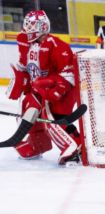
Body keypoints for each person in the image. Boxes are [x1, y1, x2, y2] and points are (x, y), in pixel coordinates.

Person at [6, 9, 81, 164]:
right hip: (40, 88)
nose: (27, 28)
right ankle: (37, 145)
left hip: (57, 89)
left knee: (51, 116)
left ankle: (74, 145)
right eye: (27, 24)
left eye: (31, 25)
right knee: (28, 106)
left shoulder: (57, 45)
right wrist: (20, 81)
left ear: (42, 26)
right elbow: (24, 66)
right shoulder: (27, 43)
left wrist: (58, 89)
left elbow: (69, 72)